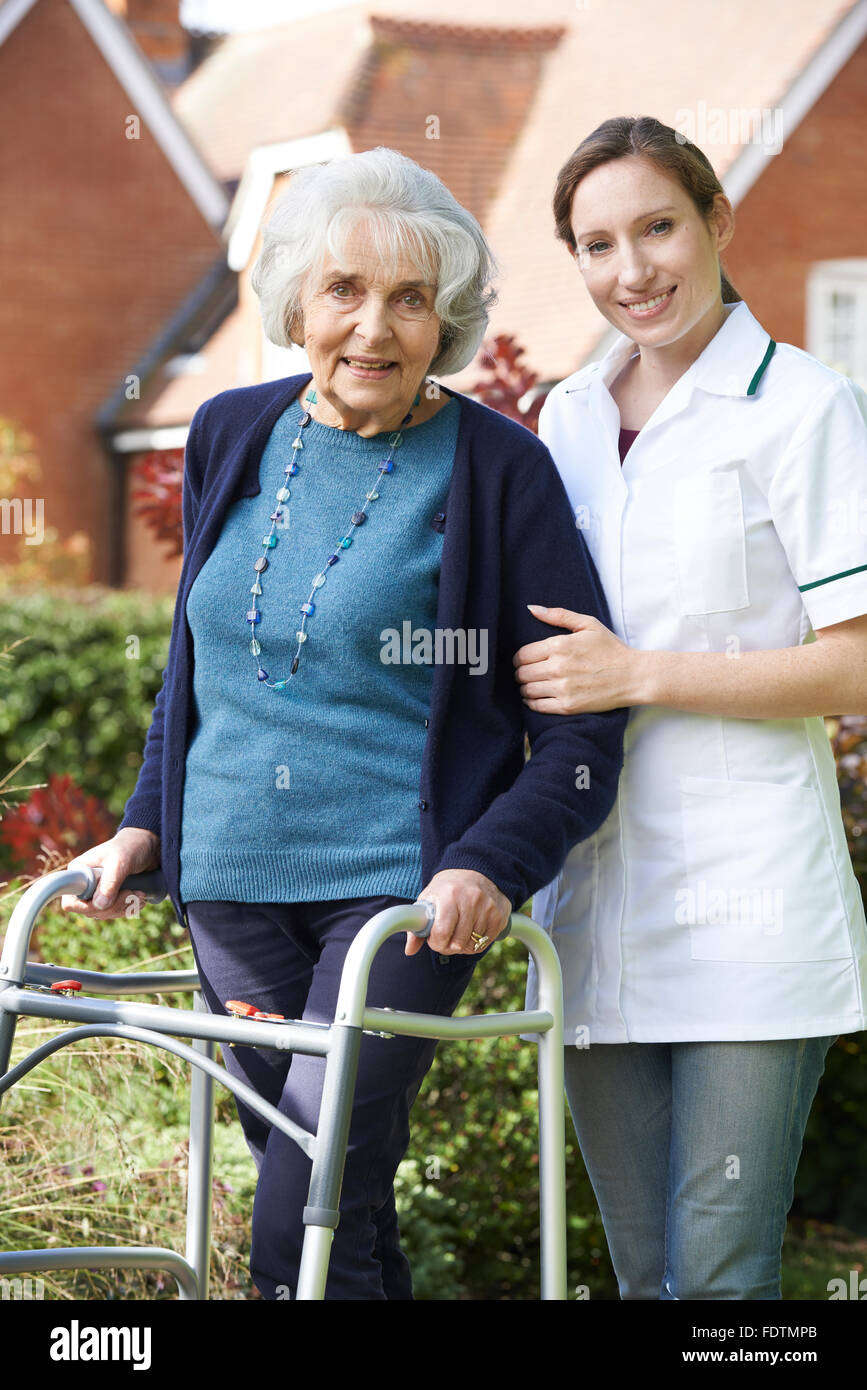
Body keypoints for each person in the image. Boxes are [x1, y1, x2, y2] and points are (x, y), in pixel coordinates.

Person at [60, 147, 628, 1300]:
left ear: (449, 316)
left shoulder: (497, 474)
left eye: (411, 298)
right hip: (229, 884)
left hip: (400, 902)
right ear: (296, 304)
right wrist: (142, 825)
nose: (375, 327)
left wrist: (489, 865)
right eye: (346, 292)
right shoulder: (230, 431)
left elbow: (583, 731)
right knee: (331, 1207)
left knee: (301, 1227)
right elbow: (199, 671)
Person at [514, 115, 867, 1301]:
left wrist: (640, 674)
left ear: (718, 220)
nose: (632, 270)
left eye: (658, 227)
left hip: (750, 906)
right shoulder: (564, 416)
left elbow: (858, 665)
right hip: (597, 899)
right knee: (646, 1275)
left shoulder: (806, 408)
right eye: (597, 242)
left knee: (720, 1280)